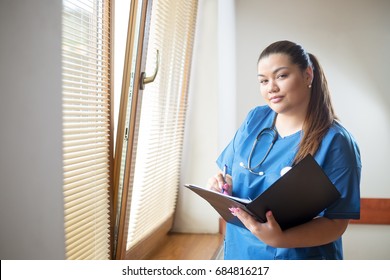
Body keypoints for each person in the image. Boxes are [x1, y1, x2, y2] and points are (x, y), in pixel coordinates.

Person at [207, 40, 361, 260]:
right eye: (263, 80)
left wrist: (280, 240)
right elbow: (230, 173)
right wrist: (222, 185)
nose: (271, 88)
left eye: (281, 76)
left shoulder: (335, 142)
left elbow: (336, 223)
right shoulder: (255, 119)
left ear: (308, 75)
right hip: (241, 255)